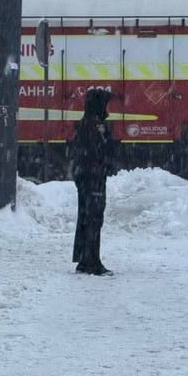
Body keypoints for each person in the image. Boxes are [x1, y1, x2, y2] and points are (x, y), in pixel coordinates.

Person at [71, 88, 115, 276]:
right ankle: (91, 261)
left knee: (86, 218)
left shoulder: (85, 123)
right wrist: (107, 138)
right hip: (93, 179)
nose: (108, 110)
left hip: (86, 177)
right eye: (106, 105)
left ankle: (84, 259)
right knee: (94, 219)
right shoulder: (94, 126)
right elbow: (100, 152)